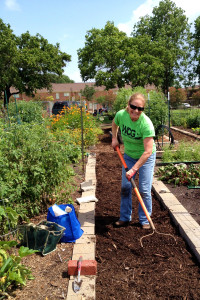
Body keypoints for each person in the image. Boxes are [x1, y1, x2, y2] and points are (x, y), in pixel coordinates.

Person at [111, 93, 156, 229]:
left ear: (143, 109)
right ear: (128, 105)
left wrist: (134, 169)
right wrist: (114, 138)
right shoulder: (121, 115)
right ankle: (125, 218)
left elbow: (147, 151)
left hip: (146, 158)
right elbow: (114, 123)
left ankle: (145, 219)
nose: (136, 110)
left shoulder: (146, 124)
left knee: (144, 189)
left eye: (140, 108)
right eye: (133, 107)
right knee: (126, 187)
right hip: (129, 156)